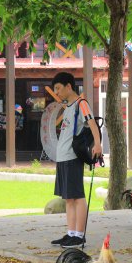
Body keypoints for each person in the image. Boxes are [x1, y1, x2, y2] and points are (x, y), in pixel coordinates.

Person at [50, 72, 102, 248]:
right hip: (62, 157)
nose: (57, 92)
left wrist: (98, 145)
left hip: (72, 157)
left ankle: (79, 236)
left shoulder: (82, 104)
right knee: (68, 198)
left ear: (68, 86)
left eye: (58, 88)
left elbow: (92, 123)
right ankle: (71, 233)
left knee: (77, 197)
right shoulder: (69, 107)